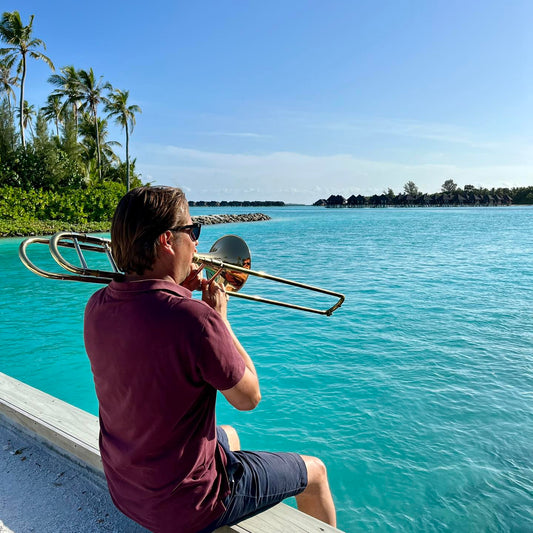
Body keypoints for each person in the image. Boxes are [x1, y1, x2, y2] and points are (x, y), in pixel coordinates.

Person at [84, 186, 336, 533]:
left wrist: (180, 288)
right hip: (185, 505)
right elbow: (249, 397)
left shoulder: (96, 306)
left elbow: (154, 330)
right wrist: (220, 319)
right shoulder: (196, 321)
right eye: (194, 231)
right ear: (167, 240)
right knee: (316, 472)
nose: (199, 243)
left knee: (228, 435)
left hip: (127, 489)